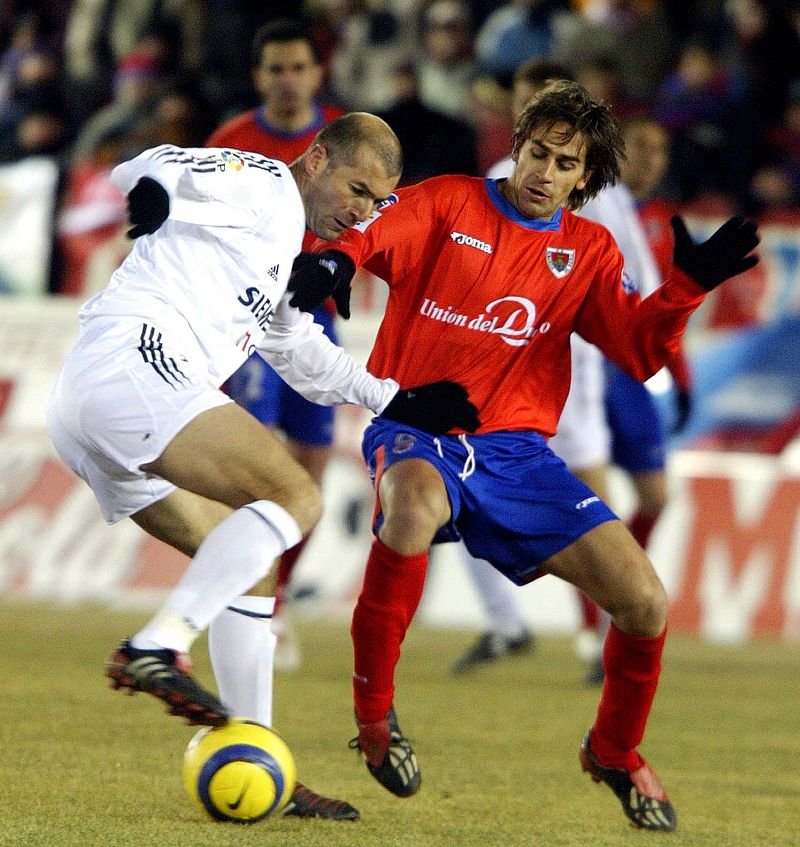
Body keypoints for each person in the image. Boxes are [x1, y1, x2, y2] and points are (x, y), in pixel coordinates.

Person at [291, 81, 759, 831]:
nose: (543, 171)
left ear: (586, 178)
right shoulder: (447, 202)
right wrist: (335, 263)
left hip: (518, 452)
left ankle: (613, 749)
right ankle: (374, 721)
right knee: (408, 511)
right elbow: (369, 235)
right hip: (419, 426)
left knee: (645, 604)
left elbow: (638, 352)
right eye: (536, 152)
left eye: (563, 162)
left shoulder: (590, 250)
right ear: (516, 146)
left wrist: (687, 286)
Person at [46, 113, 479, 819]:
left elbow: (301, 354)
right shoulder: (260, 182)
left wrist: (396, 399)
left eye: (376, 202)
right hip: (132, 364)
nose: (362, 210)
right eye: (357, 187)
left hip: (94, 403)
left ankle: (259, 754)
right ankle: (156, 643)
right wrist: (150, 191)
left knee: (253, 558)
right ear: (316, 160)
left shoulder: (284, 249)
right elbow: (149, 161)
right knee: (293, 494)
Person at [206, 18, 345, 673]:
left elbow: (380, 215)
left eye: (298, 67)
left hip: (316, 320)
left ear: (318, 73)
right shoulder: (232, 142)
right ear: (259, 76)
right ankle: (249, 603)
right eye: (276, 69)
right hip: (253, 325)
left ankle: (277, 595)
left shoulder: (347, 137)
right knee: (259, 468)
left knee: (313, 469)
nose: (288, 80)